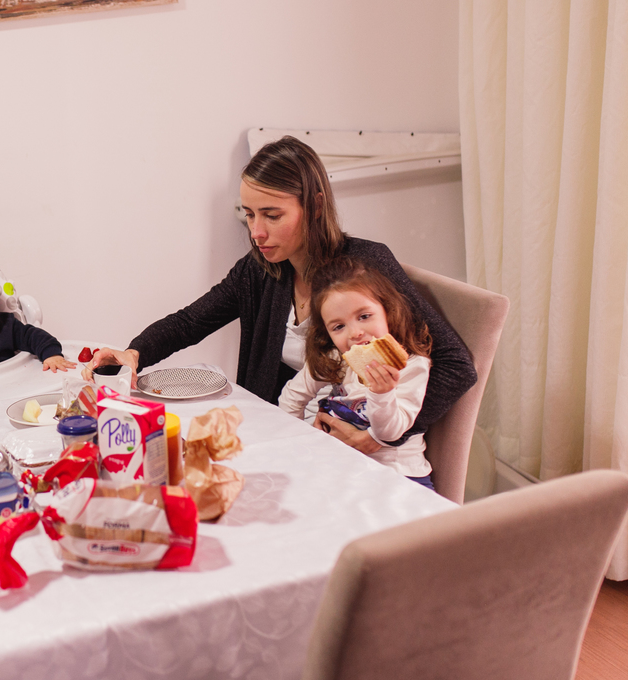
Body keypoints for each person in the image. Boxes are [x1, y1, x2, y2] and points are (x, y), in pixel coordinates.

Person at [86, 136, 475, 454]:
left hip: (351, 450)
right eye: (250, 214)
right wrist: (133, 353)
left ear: (316, 206)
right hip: (287, 434)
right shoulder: (260, 271)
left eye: (272, 216)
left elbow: (457, 364)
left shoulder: (367, 266)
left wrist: (379, 437)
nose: (257, 232)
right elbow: (190, 321)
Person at [278, 257, 435, 487]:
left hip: (397, 474)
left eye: (364, 316)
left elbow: (390, 433)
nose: (355, 333)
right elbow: (292, 397)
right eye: (339, 326)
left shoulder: (412, 366)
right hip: (342, 464)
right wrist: (297, 446)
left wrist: (382, 394)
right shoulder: (336, 358)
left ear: (387, 310)